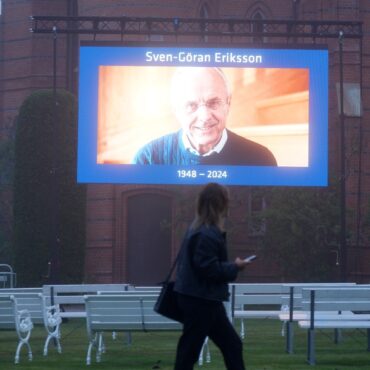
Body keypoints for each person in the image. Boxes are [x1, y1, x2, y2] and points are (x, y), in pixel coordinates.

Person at [173, 182, 251, 370]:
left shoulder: (197, 230)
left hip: (202, 299)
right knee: (190, 352)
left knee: (229, 345)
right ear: (221, 204)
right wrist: (236, 267)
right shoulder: (207, 234)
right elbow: (209, 270)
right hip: (202, 300)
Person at [133, 67, 277, 166]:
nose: (205, 116)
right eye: (191, 106)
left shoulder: (260, 159)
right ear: (176, 110)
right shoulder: (148, 158)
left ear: (228, 103)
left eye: (213, 102)